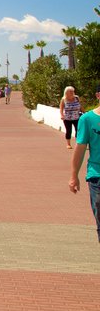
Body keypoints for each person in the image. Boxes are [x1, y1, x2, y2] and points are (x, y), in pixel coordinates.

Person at [69, 85, 100, 243]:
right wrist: (74, 176)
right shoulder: (87, 119)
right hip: (97, 176)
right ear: (98, 95)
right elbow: (80, 149)